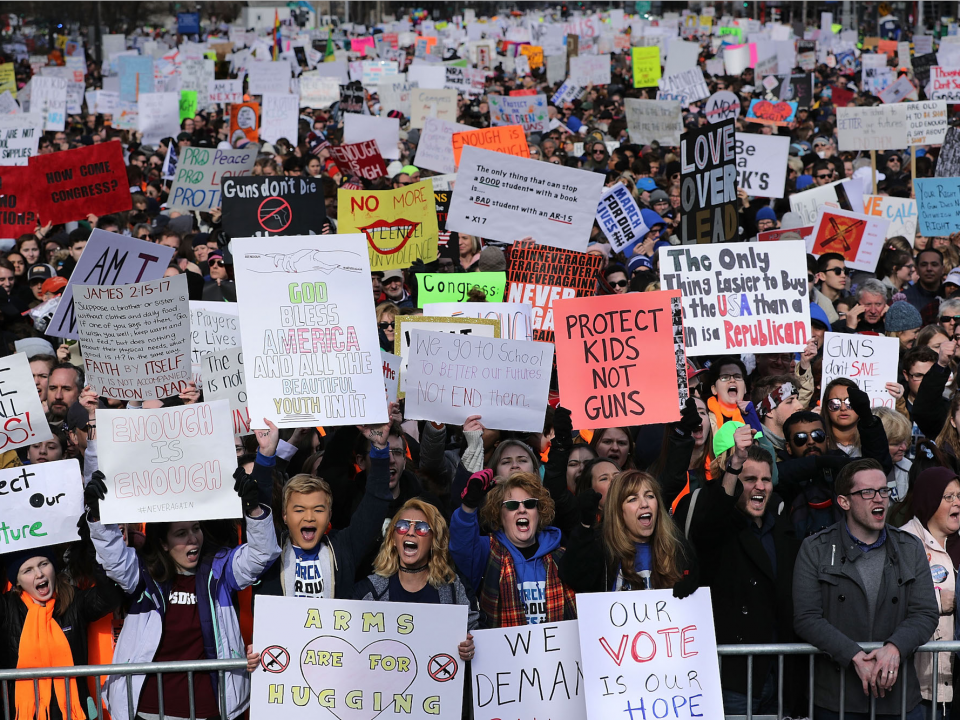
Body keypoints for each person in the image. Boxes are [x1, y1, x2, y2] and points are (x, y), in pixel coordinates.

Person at [84, 467, 280, 720]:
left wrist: (254, 510)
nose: (193, 539)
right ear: (163, 543)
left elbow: (262, 554)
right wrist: (98, 517)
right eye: (181, 533)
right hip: (148, 709)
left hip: (208, 709)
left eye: (196, 528)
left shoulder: (219, 570)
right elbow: (113, 557)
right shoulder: (143, 575)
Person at [793, 458, 939, 719]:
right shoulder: (815, 549)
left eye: (884, 491)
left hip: (898, 699)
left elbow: (925, 612)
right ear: (844, 502)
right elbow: (806, 618)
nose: (879, 499)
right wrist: (854, 656)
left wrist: (894, 648)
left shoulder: (910, 547)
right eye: (867, 492)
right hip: (835, 699)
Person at [690, 435, 803, 717]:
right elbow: (712, 522)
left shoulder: (783, 531)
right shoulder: (720, 530)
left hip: (780, 674)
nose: (759, 486)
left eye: (765, 479)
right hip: (736, 679)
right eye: (749, 478)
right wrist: (734, 466)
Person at [250, 412, 396, 599]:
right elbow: (258, 510)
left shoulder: (343, 549)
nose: (309, 517)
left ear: (329, 515)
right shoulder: (269, 552)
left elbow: (376, 502)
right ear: (284, 515)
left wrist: (379, 447)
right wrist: (265, 456)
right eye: (299, 510)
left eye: (318, 510)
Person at [0, 548, 122, 720]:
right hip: (27, 713)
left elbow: (109, 598)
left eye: (44, 564)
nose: (39, 574)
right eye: (28, 570)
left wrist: (95, 549)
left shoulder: (73, 600)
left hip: (73, 711)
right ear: (17, 581)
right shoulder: (7, 608)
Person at [353, 498, 478, 662]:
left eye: (422, 528)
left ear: (434, 540)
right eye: (403, 526)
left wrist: (470, 647)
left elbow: (477, 633)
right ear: (393, 539)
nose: (410, 532)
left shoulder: (455, 589)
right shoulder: (368, 592)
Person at [450, 471, 577, 627]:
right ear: (499, 515)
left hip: (555, 649)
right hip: (502, 649)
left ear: (539, 512)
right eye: (512, 505)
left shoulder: (561, 555)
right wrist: (468, 507)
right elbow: (462, 548)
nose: (522, 509)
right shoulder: (487, 550)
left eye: (529, 503)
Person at [558, 469, 698, 596]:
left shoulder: (677, 547)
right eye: (632, 499)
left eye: (650, 496)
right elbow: (572, 576)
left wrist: (693, 587)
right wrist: (584, 527)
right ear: (619, 511)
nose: (644, 504)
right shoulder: (602, 547)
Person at [899, 467, 959, 719]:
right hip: (918, 682)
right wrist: (936, 601)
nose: (957, 502)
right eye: (949, 497)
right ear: (929, 499)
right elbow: (891, 597)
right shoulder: (903, 541)